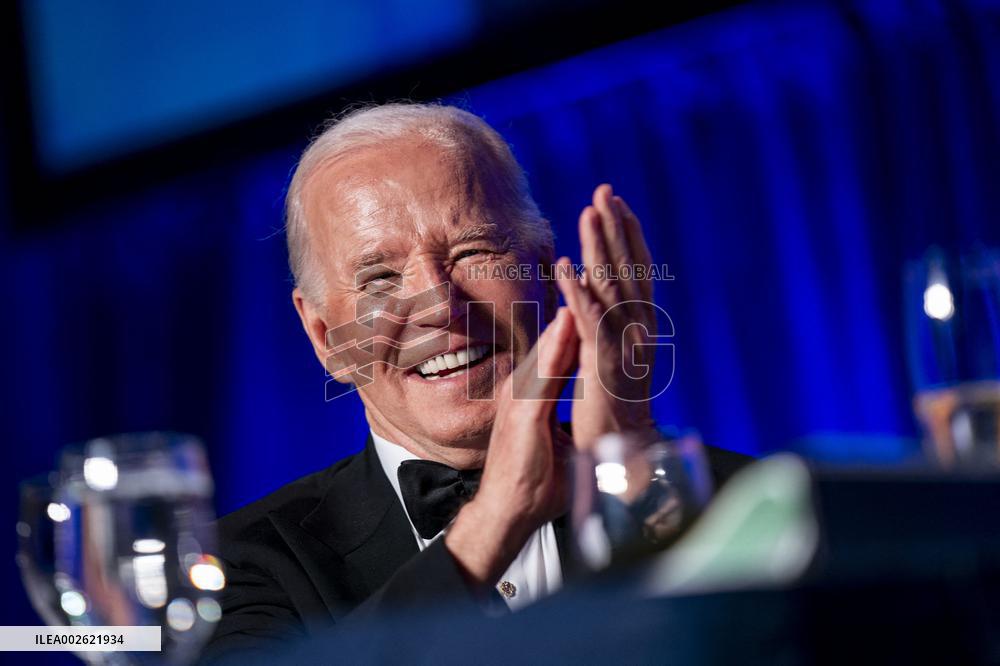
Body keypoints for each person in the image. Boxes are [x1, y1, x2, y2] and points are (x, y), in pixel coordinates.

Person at [203, 103, 751, 660]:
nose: (440, 306)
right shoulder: (230, 568)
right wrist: (497, 516)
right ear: (325, 338)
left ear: (542, 273)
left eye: (474, 254)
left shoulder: (747, 503)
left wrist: (626, 472)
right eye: (380, 279)